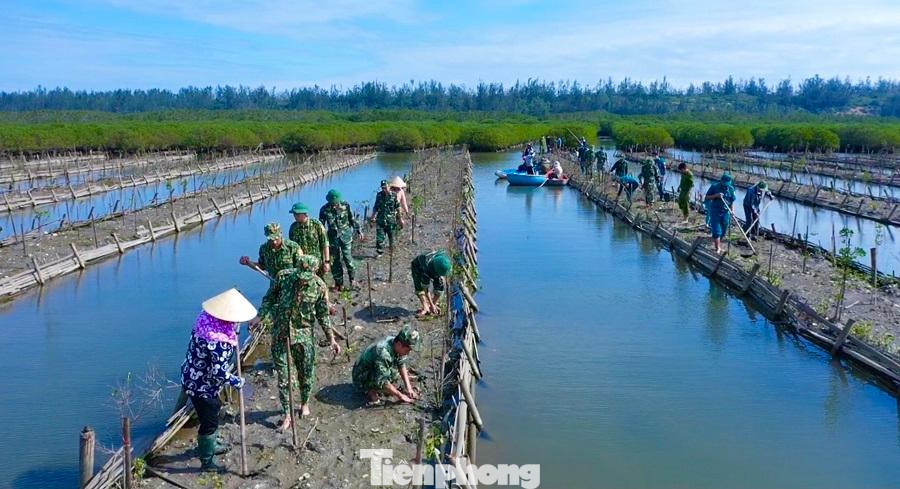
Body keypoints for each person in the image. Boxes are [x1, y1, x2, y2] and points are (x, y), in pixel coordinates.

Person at [180, 288, 256, 472]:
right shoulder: (219, 342)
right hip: (201, 386)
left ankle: (212, 443)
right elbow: (219, 373)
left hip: (192, 375)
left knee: (215, 408)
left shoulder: (205, 320)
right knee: (209, 422)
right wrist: (238, 382)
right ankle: (206, 460)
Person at [263, 255, 341, 428]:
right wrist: (260, 317)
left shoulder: (319, 287)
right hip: (280, 334)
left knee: (305, 373)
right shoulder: (283, 277)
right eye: (300, 275)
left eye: (306, 277)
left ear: (313, 272)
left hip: (303, 336)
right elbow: (269, 299)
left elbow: (323, 316)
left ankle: (304, 402)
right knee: (284, 378)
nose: (302, 280)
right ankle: (286, 413)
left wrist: (332, 340)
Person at [239, 223, 302, 331]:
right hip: (275, 285)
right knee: (267, 303)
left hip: (292, 286)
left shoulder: (293, 247)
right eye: (270, 239)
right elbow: (261, 266)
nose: (274, 242)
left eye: (276, 238)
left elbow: (302, 269)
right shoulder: (264, 249)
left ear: (281, 234)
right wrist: (248, 263)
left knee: (290, 312)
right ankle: (259, 323)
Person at [352, 325, 420, 405]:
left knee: (394, 374)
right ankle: (370, 391)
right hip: (361, 377)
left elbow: (401, 364)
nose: (409, 353)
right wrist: (400, 395)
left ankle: (385, 388)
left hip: (374, 367)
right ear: (399, 344)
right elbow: (382, 380)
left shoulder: (395, 343)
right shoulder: (383, 353)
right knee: (382, 380)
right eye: (408, 350)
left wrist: (409, 388)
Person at [319, 189, 361, 291]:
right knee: (335, 261)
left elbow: (352, 219)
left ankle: (352, 280)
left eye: (336, 201)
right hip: (333, 238)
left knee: (348, 258)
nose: (334, 203)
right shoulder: (324, 209)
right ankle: (339, 283)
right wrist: (321, 240)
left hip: (345, 236)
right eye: (332, 201)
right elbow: (321, 226)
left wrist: (359, 230)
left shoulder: (345, 205)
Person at [288, 202, 329, 279]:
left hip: (317, 264)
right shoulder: (293, 228)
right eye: (294, 214)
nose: (295, 216)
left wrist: (327, 262)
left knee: (319, 285)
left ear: (304, 214)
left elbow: (325, 244)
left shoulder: (316, 225)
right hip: (301, 265)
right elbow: (292, 247)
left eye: (297, 214)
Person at [410, 250, 453, 317]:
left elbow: (440, 287)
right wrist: (431, 304)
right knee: (419, 287)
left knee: (440, 286)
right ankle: (425, 307)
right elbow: (425, 288)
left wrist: (433, 304)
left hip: (436, 266)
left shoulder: (444, 259)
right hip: (417, 267)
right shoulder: (426, 268)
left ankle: (432, 305)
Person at [704, 173, 737, 254]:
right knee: (716, 230)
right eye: (724, 183)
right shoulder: (714, 187)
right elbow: (707, 197)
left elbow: (732, 201)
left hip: (725, 212)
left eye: (727, 183)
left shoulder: (731, 189)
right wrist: (716, 196)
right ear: (721, 181)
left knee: (724, 229)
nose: (726, 185)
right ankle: (717, 248)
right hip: (715, 211)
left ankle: (718, 242)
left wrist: (732, 211)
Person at [372, 180, 403, 255]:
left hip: (391, 220)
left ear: (389, 187)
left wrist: (400, 219)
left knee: (391, 237)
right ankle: (379, 253)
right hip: (380, 220)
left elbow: (398, 207)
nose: (384, 190)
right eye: (382, 188)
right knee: (379, 238)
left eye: (385, 188)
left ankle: (391, 251)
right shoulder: (379, 195)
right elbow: (376, 207)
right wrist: (373, 216)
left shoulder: (393, 195)